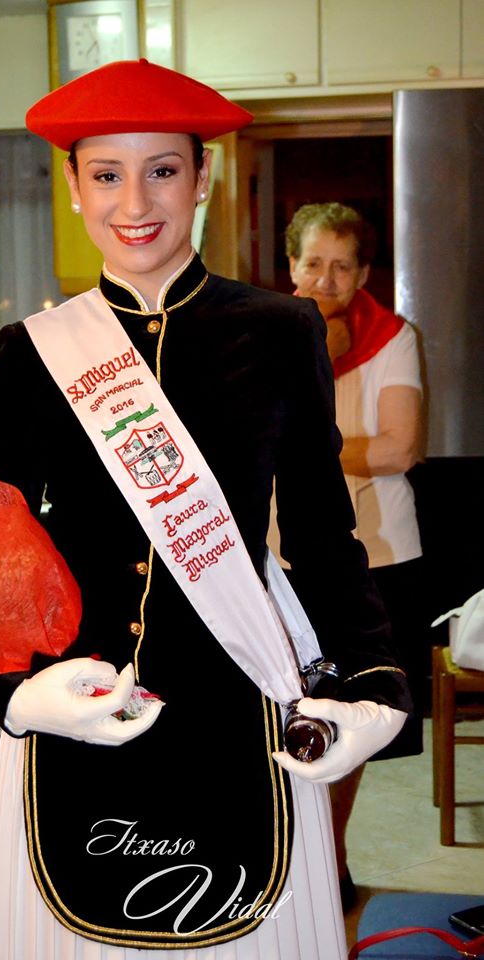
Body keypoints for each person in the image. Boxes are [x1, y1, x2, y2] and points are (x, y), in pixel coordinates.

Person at [0, 61, 411, 960]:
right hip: (78, 705)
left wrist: (373, 683)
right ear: (73, 185)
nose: (135, 202)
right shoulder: (34, 351)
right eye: (107, 174)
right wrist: (14, 692)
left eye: (163, 170)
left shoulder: (283, 331)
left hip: (237, 704)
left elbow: (324, 533)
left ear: (203, 178)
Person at [275, 201, 425, 910]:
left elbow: (400, 448)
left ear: (364, 274)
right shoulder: (263, 334)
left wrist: (299, 452)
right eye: (313, 264)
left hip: (374, 554)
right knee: (284, 711)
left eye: (342, 266)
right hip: (277, 557)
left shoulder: (394, 337)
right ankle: (293, 860)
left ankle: (328, 860)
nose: (326, 280)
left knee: (351, 716)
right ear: (291, 266)